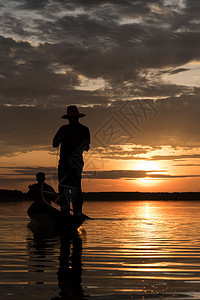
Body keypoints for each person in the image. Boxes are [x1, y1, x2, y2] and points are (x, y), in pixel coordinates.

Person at [52, 105, 90, 215]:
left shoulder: (83, 129)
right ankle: (67, 213)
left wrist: (76, 148)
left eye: (74, 118)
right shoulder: (64, 129)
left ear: (77, 118)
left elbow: (86, 146)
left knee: (74, 188)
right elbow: (55, 143)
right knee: (67, 188)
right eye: (71, 118)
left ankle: (75, 213)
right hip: (68, 164)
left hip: (74, 164)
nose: (72, 120)